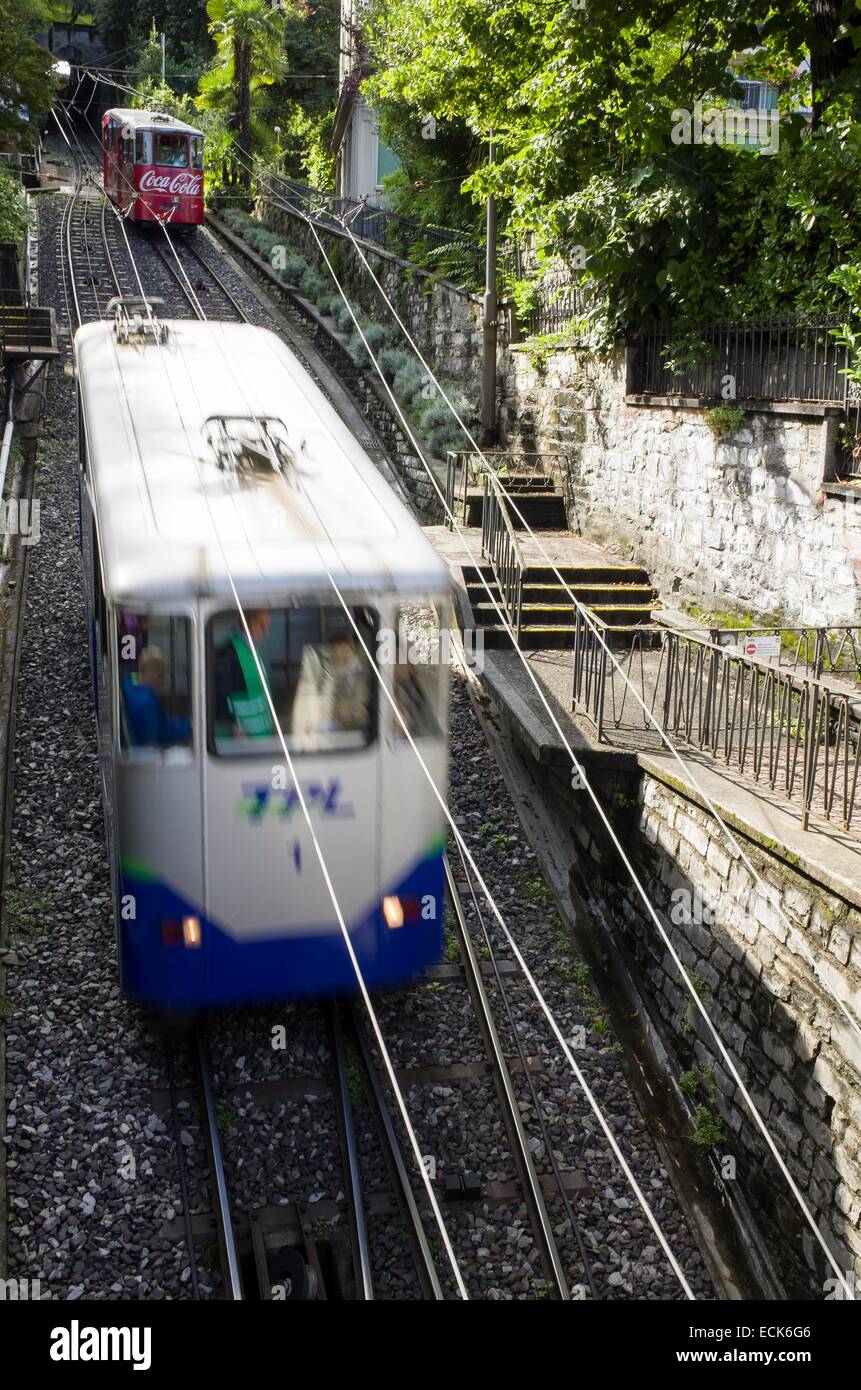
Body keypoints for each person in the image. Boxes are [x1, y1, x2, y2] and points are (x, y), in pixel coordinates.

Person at [292, 633, 369, 742]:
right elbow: (309, 712)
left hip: (351, 735)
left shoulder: (359, 682)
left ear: (353, 655)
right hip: (324, 733)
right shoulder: (322, 679)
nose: (343, 663)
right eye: (339, 659)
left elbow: (364, 715)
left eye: (346, 658)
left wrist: (351, 715)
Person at [214, 610, 274, 739]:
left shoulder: (251, 651)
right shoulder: (228, 653)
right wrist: (232, 724)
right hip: (240, 742)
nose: (266, 633)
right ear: (246, 622)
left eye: (267, 627)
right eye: (262, 626)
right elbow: (217, 694)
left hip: (259, 739)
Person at [123, 646, 191, 748]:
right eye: (161, 674)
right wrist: (188, 727)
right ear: (151, 671)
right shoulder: (146, 702)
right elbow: (154, 738)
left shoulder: (135, 692)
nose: (162, 680)